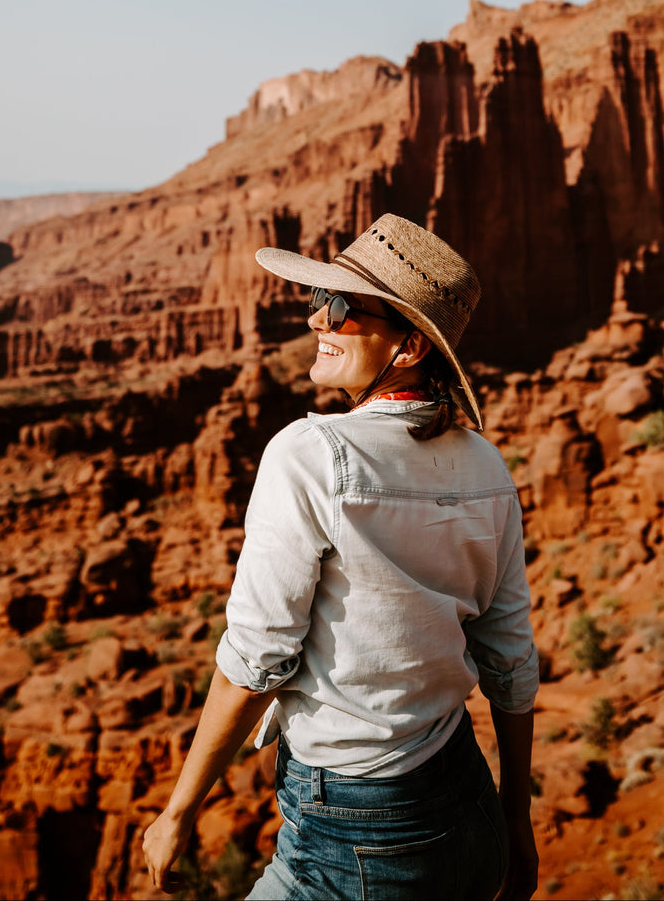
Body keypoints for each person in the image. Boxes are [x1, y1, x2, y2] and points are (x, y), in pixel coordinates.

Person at [143, 213, 539, 900]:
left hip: (353, 834)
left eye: (341, 307)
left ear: (410, 345)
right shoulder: (486, 464)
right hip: (467, 805)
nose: (316, 319)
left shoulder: (310, 454)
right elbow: (509, 659)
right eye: (318, 299)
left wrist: (177, 812)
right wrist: (515, 822)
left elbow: (257, 660)